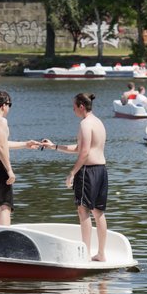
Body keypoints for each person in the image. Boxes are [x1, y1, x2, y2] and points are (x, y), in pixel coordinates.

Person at [40, 93, 109, 262]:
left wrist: (72, 173)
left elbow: (84, 152)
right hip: (101, 170)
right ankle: (101, 253)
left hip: (88, 172)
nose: (73, 110)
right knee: (98, 212)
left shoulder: (85, 124)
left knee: (83, 210)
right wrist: (54, 146)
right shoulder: (98, 122)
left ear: (81, 106)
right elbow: (79, 148)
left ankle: (85, 254)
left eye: (74, 107)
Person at [0, 90, 37, 226]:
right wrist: (9, 170)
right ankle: (3, 241)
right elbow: (0, 148)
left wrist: (25, 144)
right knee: (5, 207)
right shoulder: (0, 121)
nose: (9, 108)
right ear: (3, 105)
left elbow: (1, 144)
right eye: (9, 105)